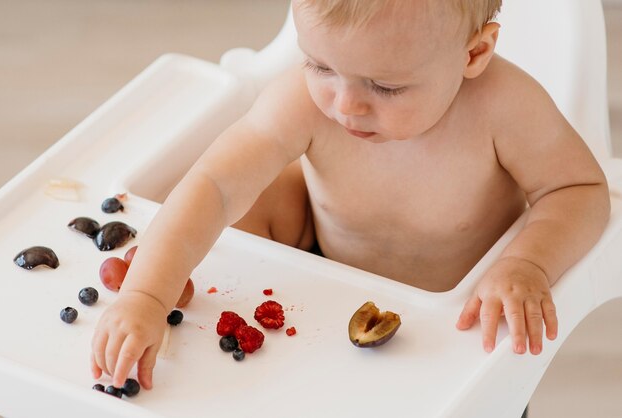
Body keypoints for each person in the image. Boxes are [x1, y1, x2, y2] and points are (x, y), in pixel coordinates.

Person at [91, 0, 610, 391]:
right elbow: (215, 184)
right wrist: (147, 294)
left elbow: (579, 189)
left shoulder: (506, 108)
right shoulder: (303, 102)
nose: (344, 106)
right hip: (318, 302)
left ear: (474, 53)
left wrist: (529, 264)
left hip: (454, 333)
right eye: (319, 65)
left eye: (385, 87)